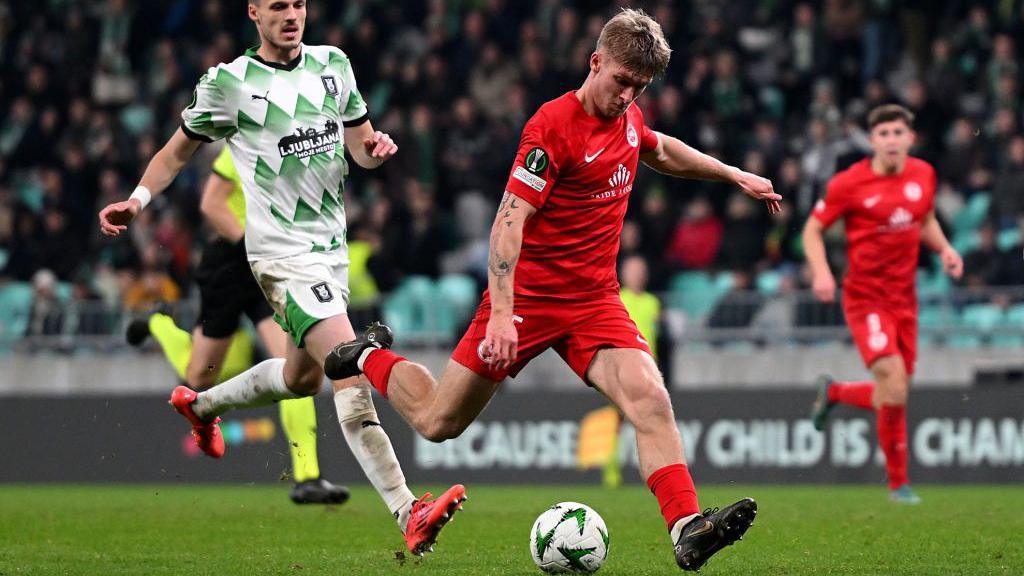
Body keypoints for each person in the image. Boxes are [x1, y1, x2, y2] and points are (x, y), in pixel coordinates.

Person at [324, 9, 779, 572]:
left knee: (651, 400)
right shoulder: (551, 127)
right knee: (439, 422)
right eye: (621, 82)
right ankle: (367, 354)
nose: (627, 96)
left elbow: (659, 149)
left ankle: (687, 527)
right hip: (528, 300)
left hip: (593, 301)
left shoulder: (629, 119)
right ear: (596, 62)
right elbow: (507, 224)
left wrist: (734, 174)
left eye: (639, 88)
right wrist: (500, 316)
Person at [97, 0, 463, 556]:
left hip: (331, 252)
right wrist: (138, 200)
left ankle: (200, 406)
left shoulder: (334, 65)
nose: (291, 14)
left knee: (300, 381)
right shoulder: (229, 83)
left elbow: (360, 147)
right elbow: (175, 154)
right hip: (279, 257)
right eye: (277, 6)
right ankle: (407, 510)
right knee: (347, 364)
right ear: (254, 13)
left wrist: (374, 149)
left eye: (297, 4)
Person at [125, 146, 348, 505]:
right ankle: (159, 323)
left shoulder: (292, 145)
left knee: (295, 368)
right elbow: (212, 203)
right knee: (198, 378)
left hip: (273, 266)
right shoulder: (248, 143)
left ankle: (307, 477)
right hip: (231, 265)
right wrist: (254, 247)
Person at [803, 104, 963, 505]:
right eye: (884, 134)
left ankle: (835, 393)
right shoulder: (849, 183)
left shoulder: (923, 174)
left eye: (898, 133)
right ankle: (898, 486)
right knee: (891, 380)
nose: (892, 140)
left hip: (905, 300)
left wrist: (944, 249)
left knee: (895, 393)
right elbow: (812, 229)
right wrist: (822, 272)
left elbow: (923, 218)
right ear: (872, 140)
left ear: (911, 138)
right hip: (865, 297)